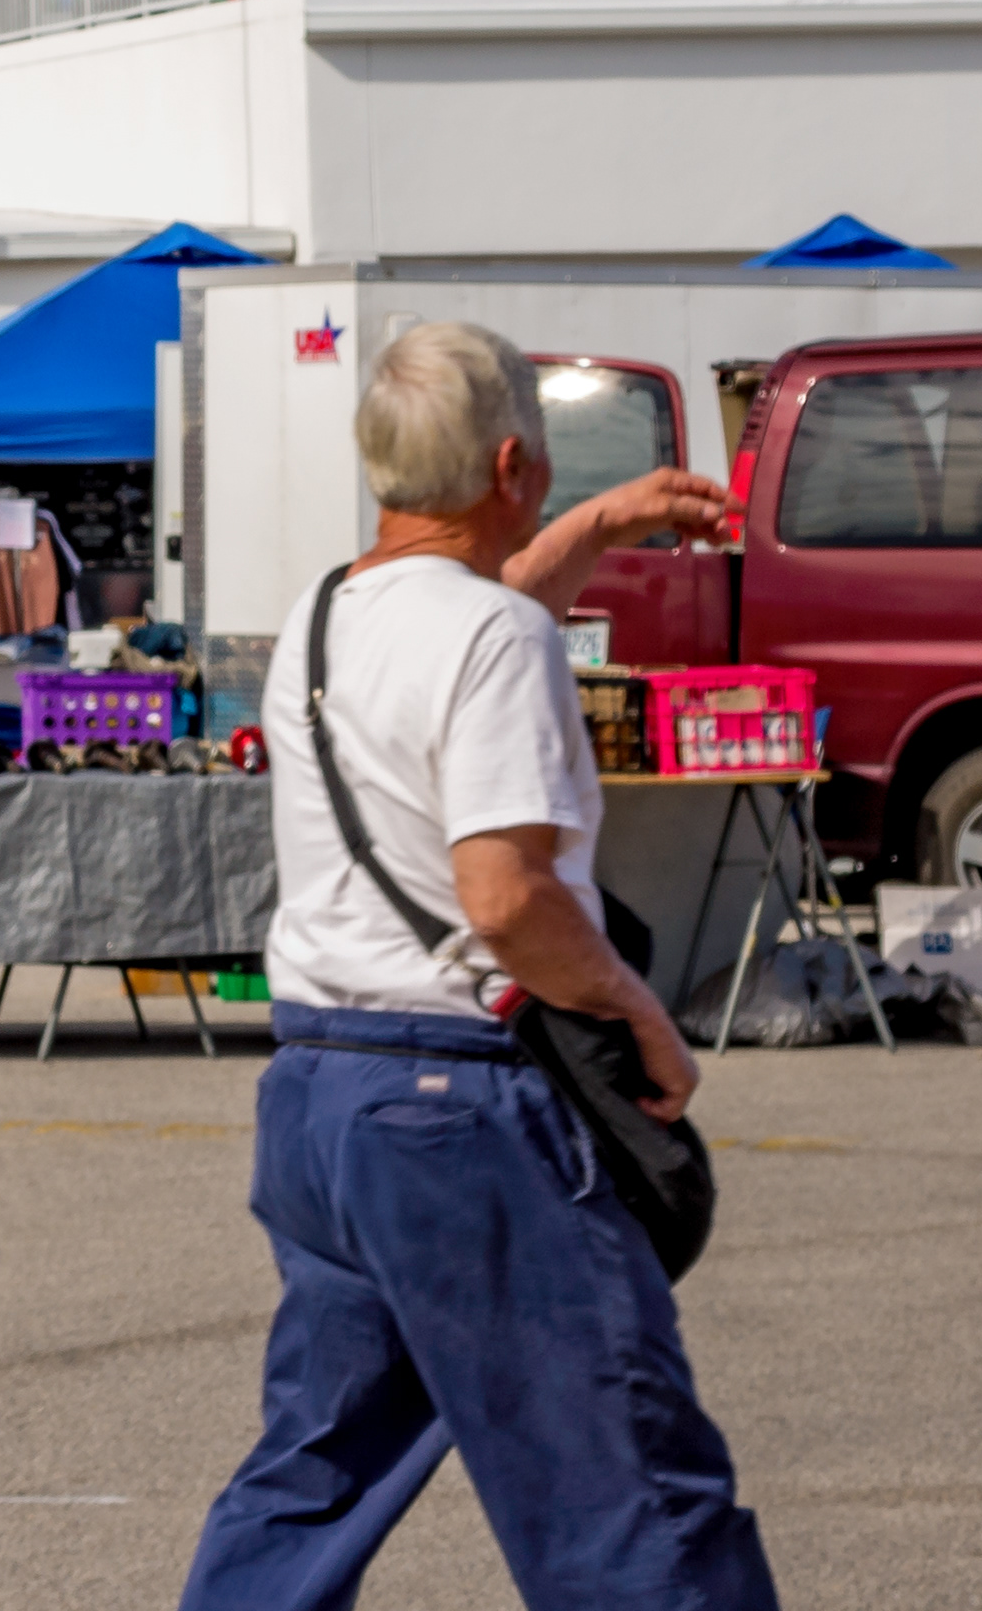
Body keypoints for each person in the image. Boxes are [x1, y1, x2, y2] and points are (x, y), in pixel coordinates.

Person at [180, 322, 769, 1611]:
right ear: (512, 463)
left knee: (317, 1470)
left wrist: (599, 522)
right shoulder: (498, 637)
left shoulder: (325, 618)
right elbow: (505, 899)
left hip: (322, 1089)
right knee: (627, 1489)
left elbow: (471, 615)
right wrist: (639, 1011)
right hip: (458, 1105)